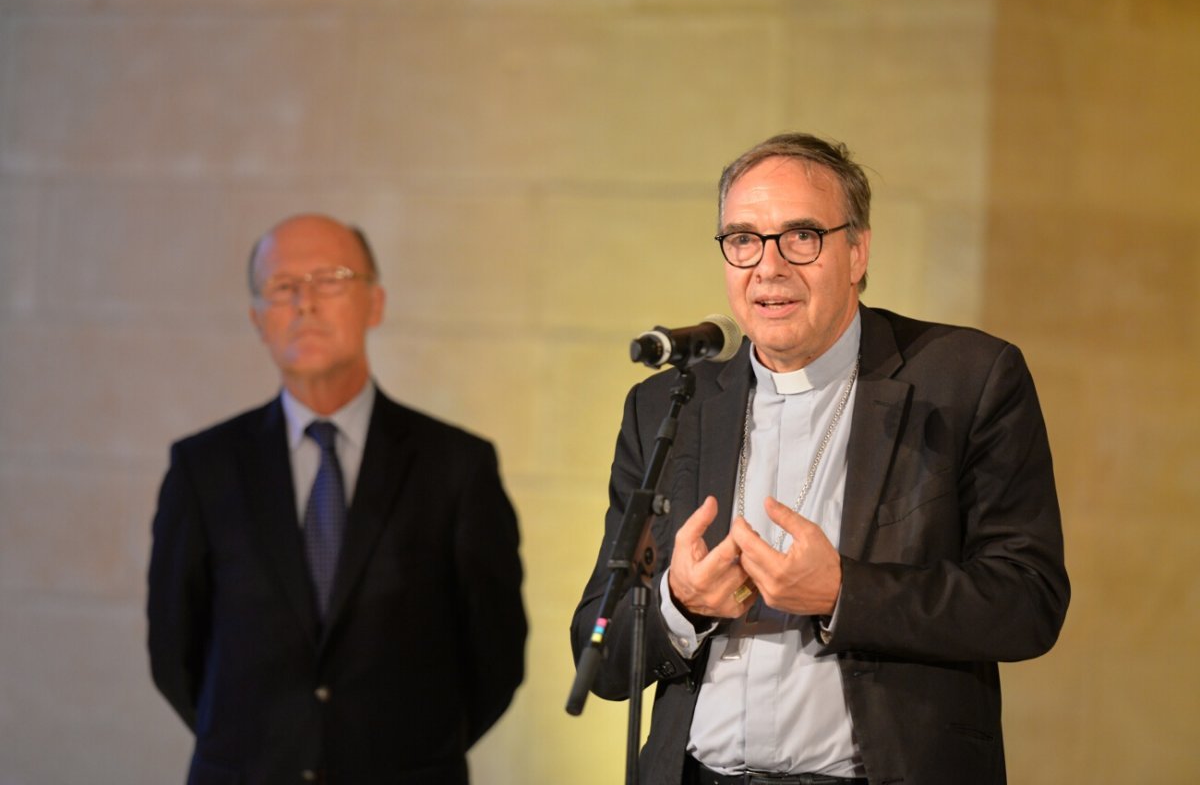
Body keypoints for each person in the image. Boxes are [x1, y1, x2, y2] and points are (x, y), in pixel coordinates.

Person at [571, 133, 1069, 785]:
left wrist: (844, 593)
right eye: (743, 239)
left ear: (857, 251)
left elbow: (1027, 602)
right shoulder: (668, 406)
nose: (768, 267)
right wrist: (678, 605)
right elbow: (597, 645)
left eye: (801, 236)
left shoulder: (967, 382)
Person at [148, 213, 526, 785]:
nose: (305, 302)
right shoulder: (204, 468)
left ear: (375, 303)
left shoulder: (456, 466)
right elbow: (174, 651)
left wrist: (417, 753)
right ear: (257, 318)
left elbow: (495, 653)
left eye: (330, 279)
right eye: (283, 287)